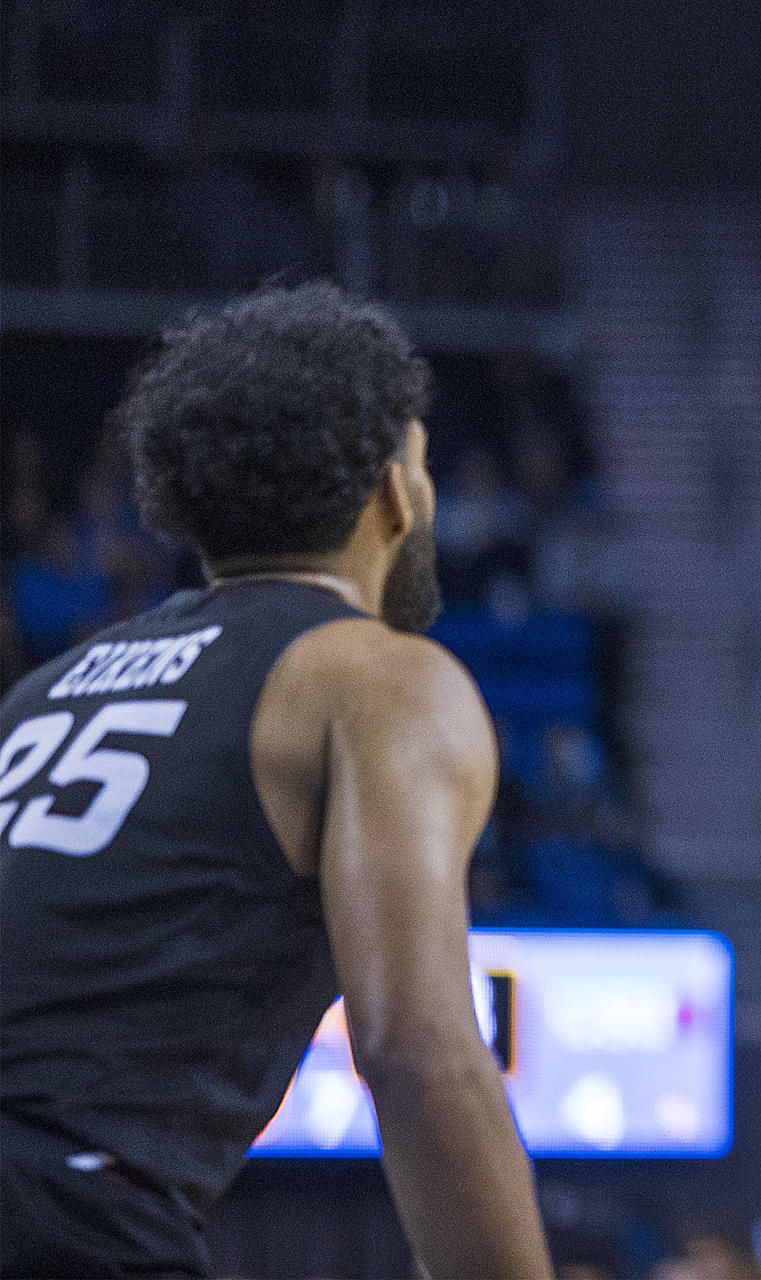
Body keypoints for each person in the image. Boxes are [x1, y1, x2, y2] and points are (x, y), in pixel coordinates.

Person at [0, 282, 553, 1279]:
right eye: (422, 469)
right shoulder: (378, 676)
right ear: (391, 489)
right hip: (61, 1204)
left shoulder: (45, 691)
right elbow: (416, 1053)